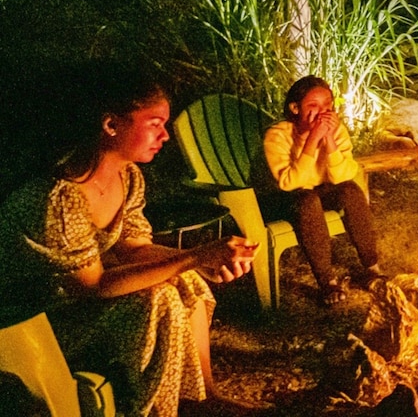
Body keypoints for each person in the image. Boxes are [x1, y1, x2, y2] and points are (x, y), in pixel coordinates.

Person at [0, 63, 261, 417]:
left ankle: (203, 398)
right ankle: (157, 410)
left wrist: (203, 262)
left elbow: (133, 248)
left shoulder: (128, 177)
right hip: (31, 322)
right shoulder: (57, 197)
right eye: (155, 124)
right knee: (159, 298)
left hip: (74, 307)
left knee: (182, 279)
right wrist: (193, 256)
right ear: (110, 125)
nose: (165, 136)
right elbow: (93, 285)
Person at [262, 76, 383, 306]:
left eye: (327, 106)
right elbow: (289, 183)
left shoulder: (335, 131)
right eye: (313, 106)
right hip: (279, 199)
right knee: (307, 200)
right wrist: (312, 140)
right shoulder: (278, 135)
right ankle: (327, 282)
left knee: (351, 190)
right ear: (295, 108)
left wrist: (328, 141)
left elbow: (342, 175)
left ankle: (372, 268)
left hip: (318, 191)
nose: (322, 113)